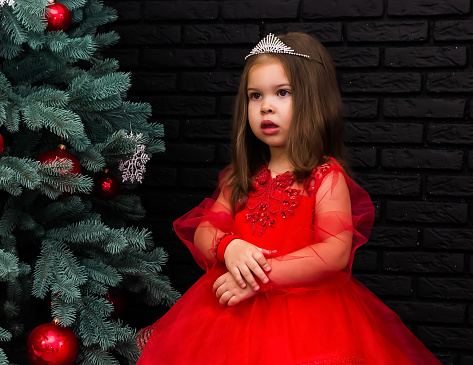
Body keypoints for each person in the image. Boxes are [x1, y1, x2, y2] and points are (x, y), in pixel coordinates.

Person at [136, 32, 442, 365]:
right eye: (255, 96)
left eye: (282, 93)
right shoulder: (241, 177)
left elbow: (334, 252)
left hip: (305, 320)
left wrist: (258, 279)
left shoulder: (324, 177)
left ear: (312, 100)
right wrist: (229, 247)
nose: (266, 106)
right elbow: (204, 229)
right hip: (228, 315)